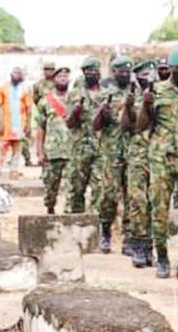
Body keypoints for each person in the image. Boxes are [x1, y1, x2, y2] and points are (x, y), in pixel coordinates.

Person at [136, 48, 178, 281]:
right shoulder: (157, 92)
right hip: (160, 159)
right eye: (177, 70)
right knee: (158, 210)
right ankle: (162, 259)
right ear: (170, 70)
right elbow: (141, 126)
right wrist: (146, 106)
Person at [93, 55, 135, 254]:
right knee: (109, 195)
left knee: (131, 196)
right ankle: (105, 231)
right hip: (111, 152)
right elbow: (95, 125)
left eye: (127, 71)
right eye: (120, 71)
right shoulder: (104, 94)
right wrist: (102, 112)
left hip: (133, 152)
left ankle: (128, 237)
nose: (124, 74)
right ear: (114, 72)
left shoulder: (138, 93)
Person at [126, 60, 157, 268]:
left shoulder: (163, 94)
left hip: (159, 155)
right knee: (138, 201)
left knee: (156, 202)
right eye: (144, 74)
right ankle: (138, 245)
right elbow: (131, 126)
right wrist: (133, 105)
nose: (148, 78)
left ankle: (151, 248)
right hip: (138, 154)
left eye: (151, 74)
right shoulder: (130, 97)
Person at [65, 56, 103, 214]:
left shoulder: (105, 93)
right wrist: (75, 111)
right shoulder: (74, 94)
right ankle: (75, 219)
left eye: (94, 70)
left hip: (101, 148)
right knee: (76, 188)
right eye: (88, 71)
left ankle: (96, 222)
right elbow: (69, 123)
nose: (92, 73)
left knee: (99, 187)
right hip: (79, 148)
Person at [36, 67, 71, 214]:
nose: (63, 79)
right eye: (60, 76)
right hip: (52, 151)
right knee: (51, 187)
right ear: (54, 80)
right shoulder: (45, 101)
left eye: (65, 76)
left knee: (72, 186)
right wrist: (39, 152)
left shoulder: (75, 99)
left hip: (71, 150)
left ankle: (70, 213)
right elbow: (40, 128)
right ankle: (50, 208)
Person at [0, 66, 33, 169]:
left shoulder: (25, 90)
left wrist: (28, 125)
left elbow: (29, 108)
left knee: (17, 149)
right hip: (6, 125)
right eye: (15, 73)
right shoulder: (3, 89)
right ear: (11, 75)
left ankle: (14, 171)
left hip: (20, 125)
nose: (17, 75)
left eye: (19, 73)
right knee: (2, 147)